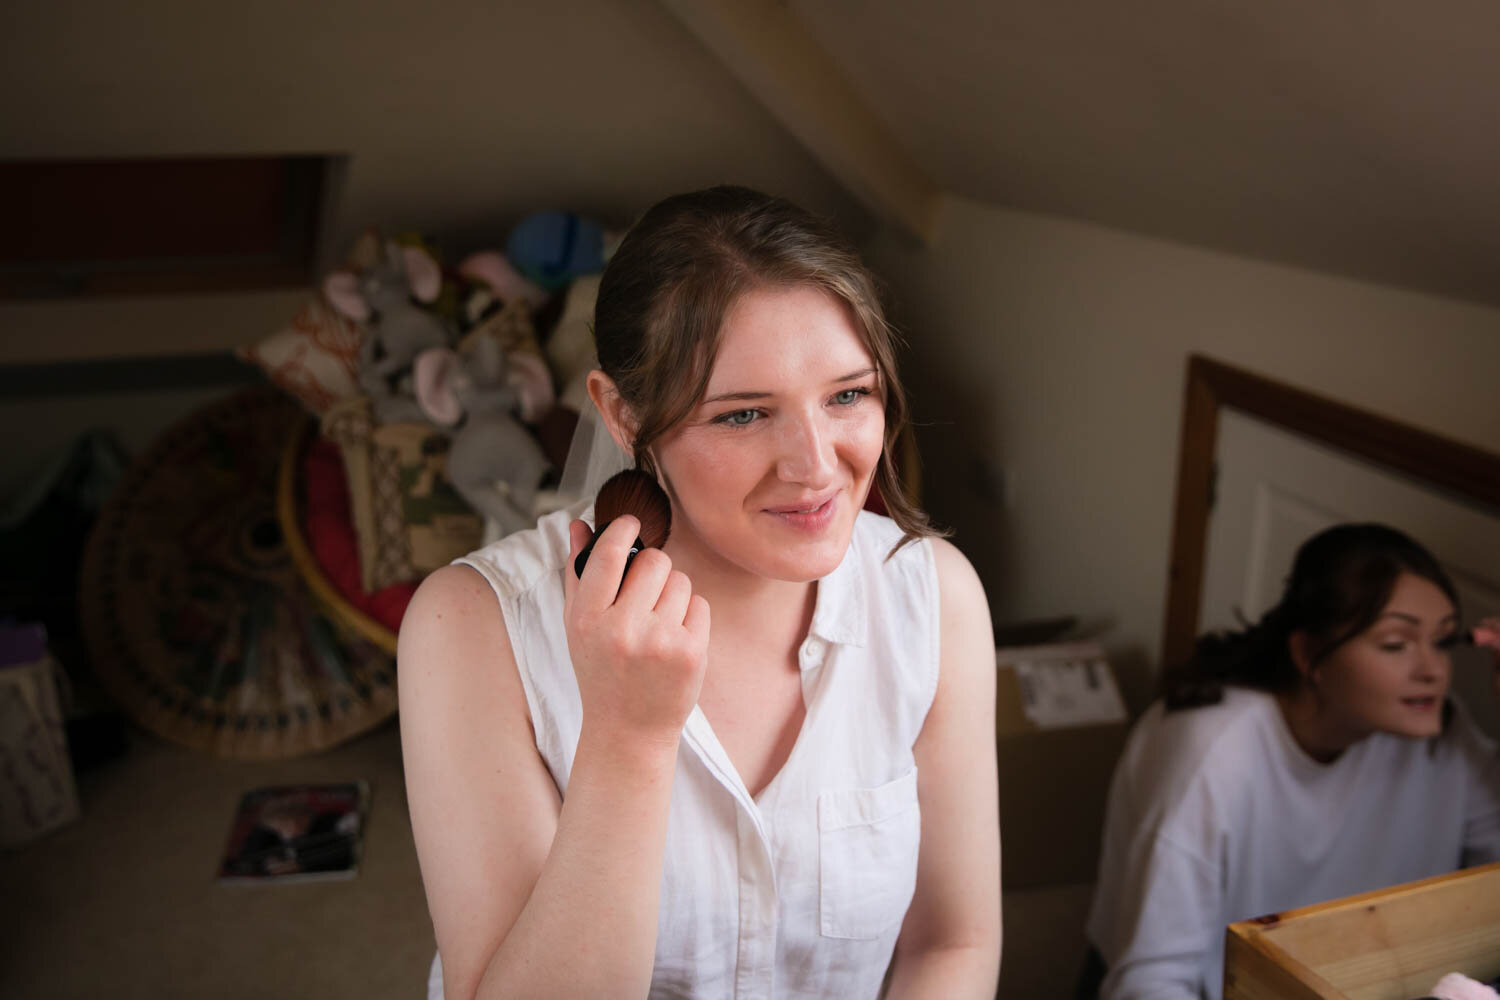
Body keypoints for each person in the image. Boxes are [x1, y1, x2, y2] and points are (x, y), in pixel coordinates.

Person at [398, 186, 1002, 999]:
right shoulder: (471, 626)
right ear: (621, 414)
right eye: (745, 415)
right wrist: (626, 739)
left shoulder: (934, 599)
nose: (817, 466)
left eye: (848, 395)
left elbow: (953, 945)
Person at [1082, 523, 1500, 999]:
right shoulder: (1212, 747)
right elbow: (1150, 978)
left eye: (1443, 642)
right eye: (1395, 644)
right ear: (1308, 653)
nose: (1433, 670)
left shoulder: (1445, 735)